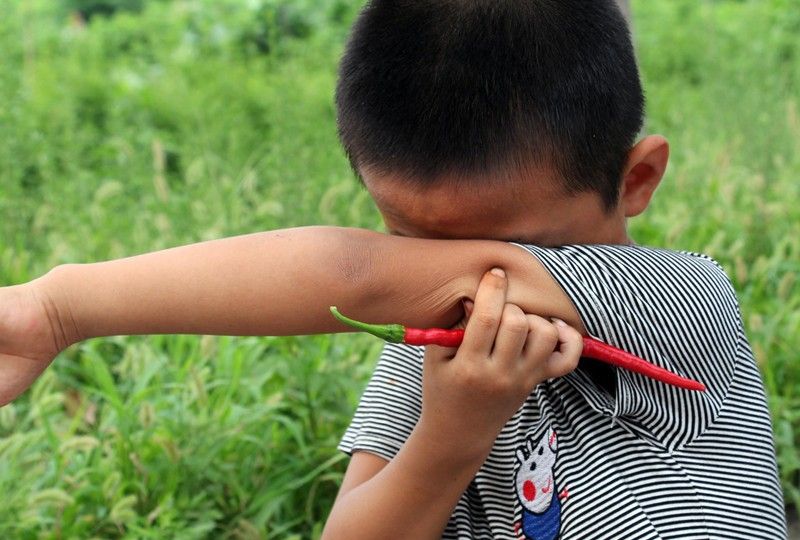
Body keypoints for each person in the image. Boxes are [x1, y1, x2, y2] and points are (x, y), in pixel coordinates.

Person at [0, 1, 786, 539]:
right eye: (410, 247)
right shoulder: (431, 351)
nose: (458, 288)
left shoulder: (684, 297)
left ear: (637, 180)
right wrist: (451, 432)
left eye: (515, 256)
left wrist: (62, 309)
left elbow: (350, 276)